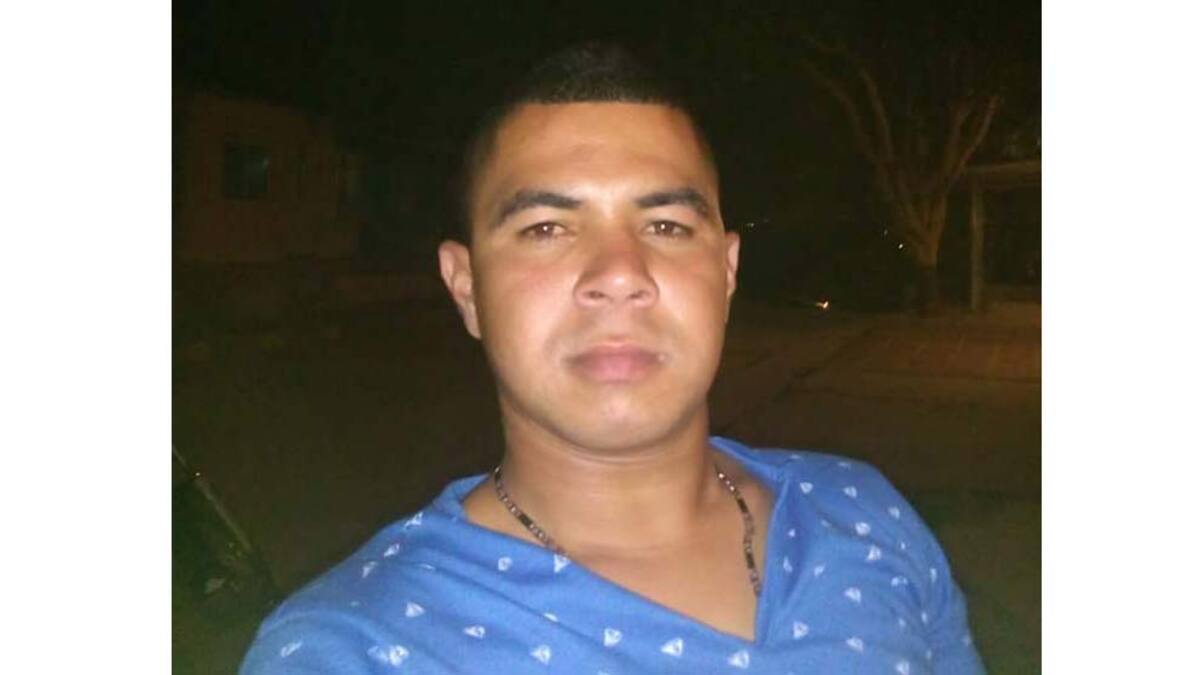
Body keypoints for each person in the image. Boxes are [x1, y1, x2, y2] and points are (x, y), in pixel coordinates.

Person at [241, 43, 984, 674]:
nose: (621, 273)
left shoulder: (864, 513)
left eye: (666, 225)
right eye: (545, 228)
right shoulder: (357, 647)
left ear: (726, 273)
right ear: (466, 288)